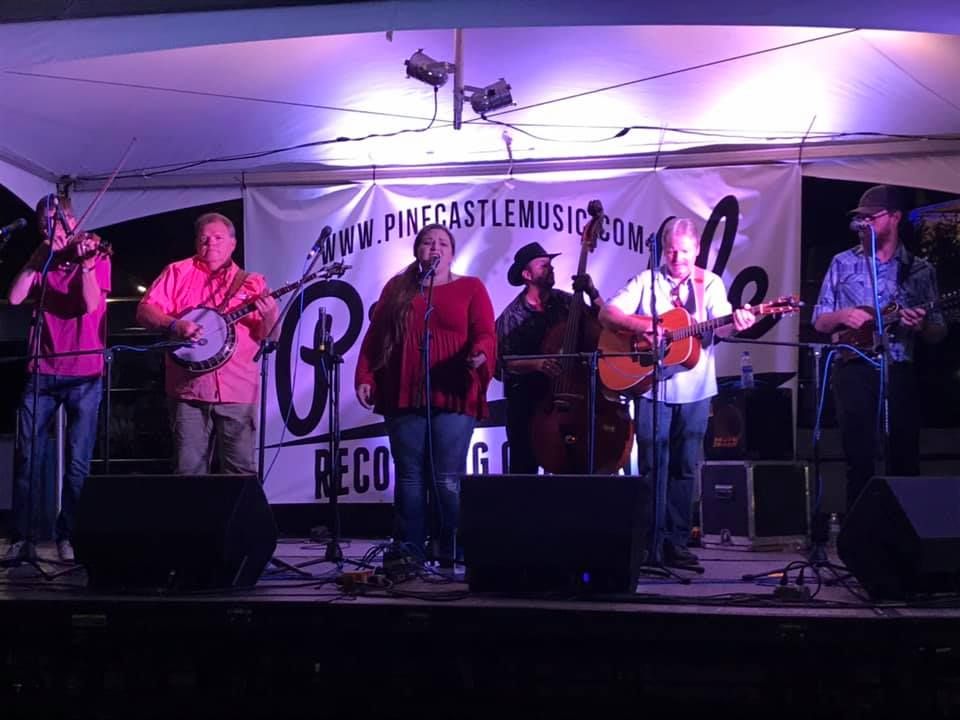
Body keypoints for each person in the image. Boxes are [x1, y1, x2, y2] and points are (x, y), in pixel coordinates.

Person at [599, 217, 756, 569]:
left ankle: (677, 542)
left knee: (685, 467)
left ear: (697, 250)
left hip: (696, 389)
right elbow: (608, 313)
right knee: (653, 466)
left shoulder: (709, 283)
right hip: (652, 388)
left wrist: (739, 322)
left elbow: (722, 325)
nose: (677, 257)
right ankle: (649, 544)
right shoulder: (646, 281)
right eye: (671, 250)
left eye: (684, 251)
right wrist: (646, 325)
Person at [354, 223, 496, 568]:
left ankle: (452, 547)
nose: (435, 248)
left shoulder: (471, 287)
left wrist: (480, 353)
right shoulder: (398, 288)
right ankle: (410, 549)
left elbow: (486, 333)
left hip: (453, 390)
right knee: (409, 476)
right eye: (428, 243)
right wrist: (365, 375)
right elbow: (376, 337)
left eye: (443, 243)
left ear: (452, 253)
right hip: (404, 391)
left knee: (446, 478)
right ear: (417, 251)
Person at [813, 185, 945, 513]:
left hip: (898, 369)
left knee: (904, 456)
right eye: (861, 218)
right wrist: (843, 315)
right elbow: (819, 321)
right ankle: (859, 533)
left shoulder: (919, 270)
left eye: (872, 217)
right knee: (858, 458)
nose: (865, 223)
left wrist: (921, 325)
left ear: (895, 217)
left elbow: (938, 331)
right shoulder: (843, 262)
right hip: (854, 368)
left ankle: (905, 532)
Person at [5, 194, 111, 563]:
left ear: (73, 221)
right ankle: (23, 537)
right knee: (28, 457)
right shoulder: (44, 257)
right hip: (43, 369)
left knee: (78, 461)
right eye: (45, 225)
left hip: (84, 371)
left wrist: (86, 265)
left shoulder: (96, 252)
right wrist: (36, 260)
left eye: (58, 222)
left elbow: (90, 304)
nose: (52, 230)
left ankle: (69, 536)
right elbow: (15, 298)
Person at [136, 212, 279, 476]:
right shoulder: (177, 272)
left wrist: (270, 314)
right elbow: (145, 311)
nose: (211, 243)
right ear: (196, 242)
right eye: (204, 238)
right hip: (188, 390)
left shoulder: (253, 282)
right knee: (188, 472)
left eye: (218, 238)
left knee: (240, 472)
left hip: (237, 390)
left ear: (233, 244)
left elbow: (269, 338)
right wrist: (174, 325)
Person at [495, 241, 602, 473]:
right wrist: (536, 364)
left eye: (550, 264)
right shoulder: (511, 316)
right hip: (529, 403)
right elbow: (499, 364)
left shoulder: (566, 302)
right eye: (543, 265)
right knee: (524, 470)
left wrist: (592, 292)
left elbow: (603, 322)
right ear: (527, 275)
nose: (550, 268)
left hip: (572, 398)